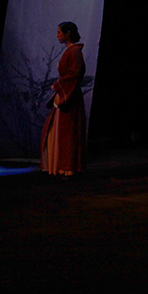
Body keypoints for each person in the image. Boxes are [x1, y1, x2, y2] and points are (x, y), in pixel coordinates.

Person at [40, 21, 87, 177]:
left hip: (69, 96)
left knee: (67, 132)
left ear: (68, 33)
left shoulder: (74, 52)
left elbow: (75, 73)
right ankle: (60, 166)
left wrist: (58, 85)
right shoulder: (70, 51)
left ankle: (67, 167)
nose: (57, 35)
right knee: (60, 130)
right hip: (65, 93)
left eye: (59, 32)